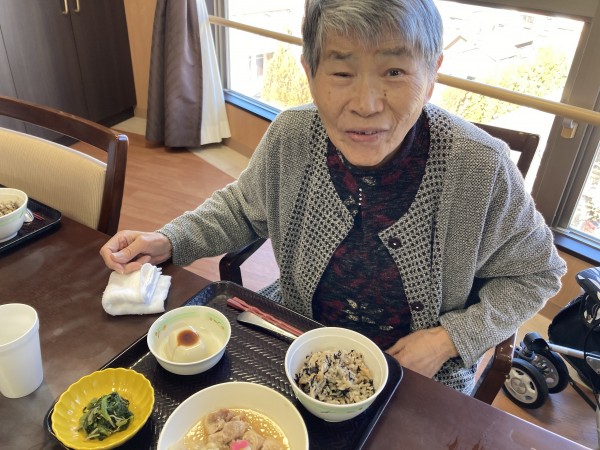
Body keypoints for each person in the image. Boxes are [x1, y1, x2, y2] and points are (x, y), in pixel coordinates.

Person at [100, 0, 566, 394]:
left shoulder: (481, 167)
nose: (366, 104)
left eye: (395, 71)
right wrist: (170, 240)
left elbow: (537, 274)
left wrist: (447, 340)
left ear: (431, 74)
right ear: (310, 72)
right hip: (292, 335)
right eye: (342, 72)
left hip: (420, 373)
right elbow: (242, 208)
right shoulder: (291, 136)